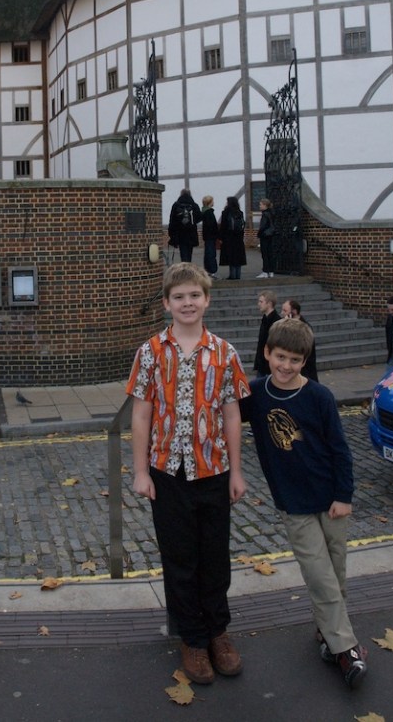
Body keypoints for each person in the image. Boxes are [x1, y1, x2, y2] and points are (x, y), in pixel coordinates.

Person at [128, 262, 249, 686]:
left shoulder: (225, 352)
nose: (187, 303)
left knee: (214, 558)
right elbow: (141, 415)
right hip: (167, 473)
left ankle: (218, 632)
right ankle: (193, 640)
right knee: (179, 559)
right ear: (166, 303)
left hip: (214, 470)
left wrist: (236, 471)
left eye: (194, 296)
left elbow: (232, 414)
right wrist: (141, 471)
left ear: (206, 299)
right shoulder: (150, 352)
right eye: (178, 297)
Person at [241, 318, 368, 688]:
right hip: (294, 503)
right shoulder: (256, 394)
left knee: (336, 570)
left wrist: (344, 496)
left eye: (295, 360)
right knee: (318, 573)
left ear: (305, 361)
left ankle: (327, 634)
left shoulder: (320, 397)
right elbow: (222, 408)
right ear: (266, 353)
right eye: (280, 357)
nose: (286, 366)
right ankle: (348, 650)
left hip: (331, 499)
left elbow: (340, 451)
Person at [282, 298, 318, 381]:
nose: (282, 313)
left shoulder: (304, 328)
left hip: (305, 371)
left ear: (293, 312)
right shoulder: (288, 325)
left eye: (285, 311)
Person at [168, 188, 203, 263]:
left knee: (183, 254)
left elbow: (172, 220)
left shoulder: (176, 205)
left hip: (180, 234)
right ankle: (188, 269)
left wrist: (172, 236)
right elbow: (199, 217)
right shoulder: (194, 205)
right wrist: (192, 222)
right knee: (189, 253)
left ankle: (184, 269)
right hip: (191, 233)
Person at [218, 196, 246, 280]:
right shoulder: (240, 212)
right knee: (238, 257)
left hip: (229, 238)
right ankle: (238, 275)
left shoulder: (226, 212)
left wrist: (220, 238)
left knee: (231, 257)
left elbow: (223, 226)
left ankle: (232, 275)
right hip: (238, 238)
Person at [254, 290, 280, 376]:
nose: (259, 304)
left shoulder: (276, 321)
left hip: (269, 366)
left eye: (261, 302)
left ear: (269, 303)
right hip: (263, 364)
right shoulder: (265, 319)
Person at [256, 198, 277, 279]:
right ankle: (271, 271)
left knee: (265, 254)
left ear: (265, 205)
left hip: (265, 235)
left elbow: (263, 226)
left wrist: (259, 234)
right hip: (271, 235)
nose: (259, 206)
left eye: (260, 204)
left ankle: (265, 271)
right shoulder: (272, 213)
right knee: (270, 254)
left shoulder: (265, 214)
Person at [200, 195, 219, 278]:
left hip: (208, 236)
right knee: (211, 253)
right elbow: (212, 226)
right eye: (212, 201)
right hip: (211, 236)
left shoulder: (205, 212)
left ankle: (208, 269)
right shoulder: (209, 213)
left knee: (208, 253)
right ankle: (211, 270)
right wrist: (216, 234)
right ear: (210, 202)